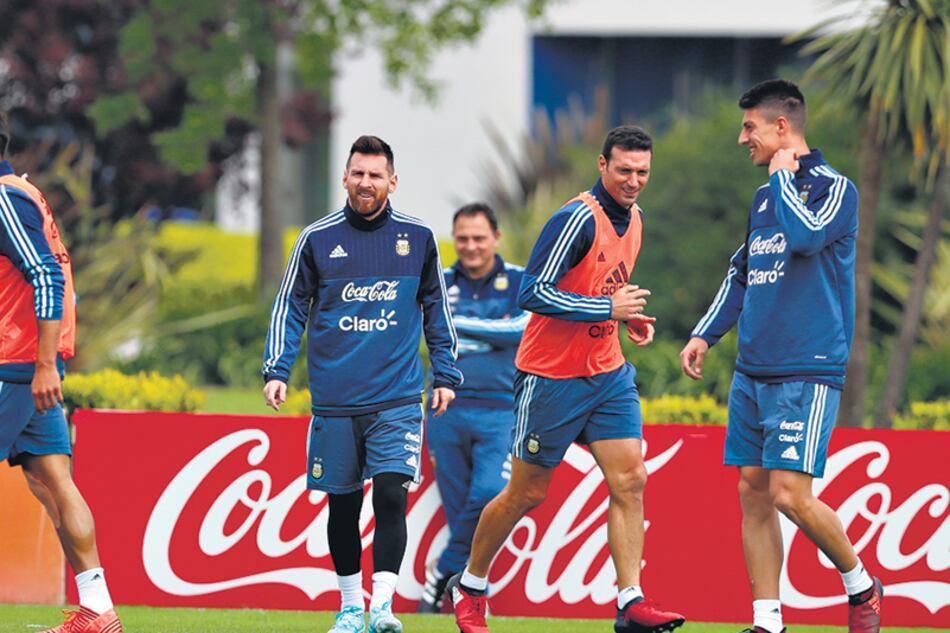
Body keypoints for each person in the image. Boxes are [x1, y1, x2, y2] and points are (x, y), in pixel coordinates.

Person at [448, 125, 686, 633]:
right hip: (551, 377)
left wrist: (624, 316)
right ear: (602, 166)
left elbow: (604, 286)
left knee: (631, 479)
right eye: (624, 170)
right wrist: (606, 307)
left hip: (607, 374)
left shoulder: (637, 218)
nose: (633, 180)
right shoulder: (576, 218)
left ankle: (629, 602)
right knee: (526, 493)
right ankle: (469, 587)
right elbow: (532, 293)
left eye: (642, 171)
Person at [679, 79, 882, 633]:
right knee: (753, 491)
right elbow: (743, 271)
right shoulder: (764, 196)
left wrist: (784, 181)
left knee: (792, 495)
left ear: (782, 128)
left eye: (750, 127)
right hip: (753, 370)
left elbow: (808, 237)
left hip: (807, 368)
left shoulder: (835, 188)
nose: (742, 138)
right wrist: (704, 334)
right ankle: (768, 621)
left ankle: (860, 583)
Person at [262, 134, 462, 633]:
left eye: (376, 175)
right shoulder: (316, 239)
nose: (366, 183)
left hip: (397, 396)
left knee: (392, 494)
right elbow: (289, 307)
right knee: (343, 503)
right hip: (335, 399)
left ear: (392, 181)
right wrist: (277, 369)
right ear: (345, 179)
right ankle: (350, 606)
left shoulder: (418, 238)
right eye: (358, 173)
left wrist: (446, 372)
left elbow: (437, 307)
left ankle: (383, 607)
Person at [0, 113, 123, 632]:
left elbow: (47, 274)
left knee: (55, 482)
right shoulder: (20, 191)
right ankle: (98, 610)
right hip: (31, 362)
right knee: (52, 480)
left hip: (18, 364)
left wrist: (45, 364)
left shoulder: (3, 197)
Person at [416, 203, 527, 614]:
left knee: (486, 495)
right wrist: (463, 325)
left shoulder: (519, 280)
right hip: (446, 412)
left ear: (495, 237)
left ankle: (440, 579)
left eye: (479, 237)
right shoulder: (439, 281)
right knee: (460, 506)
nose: (470, 246)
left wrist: (453, 322)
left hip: (501, 411)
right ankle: (471, 597)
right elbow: (427, 330)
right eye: (462, 238)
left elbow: (520, 330)